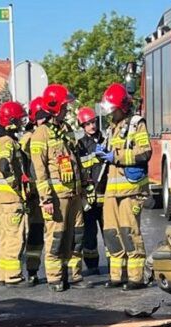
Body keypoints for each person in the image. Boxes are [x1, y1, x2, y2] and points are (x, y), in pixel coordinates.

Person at [96, 83, 152, 289]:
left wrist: (116, 156)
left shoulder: (137, 124)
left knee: (130, 232)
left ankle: (136, 277)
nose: (111, 112)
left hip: (131, 189)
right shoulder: (113, 126)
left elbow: (145, 152)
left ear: (122, 107)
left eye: (113, 109)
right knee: (111, 233)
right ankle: (117, 275)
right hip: (113, 189)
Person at [30, 84, 83, 292]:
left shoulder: (66, 130)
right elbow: (39, 170)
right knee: (56, 238)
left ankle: (70, 275)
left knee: (73, 237)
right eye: (64, 106)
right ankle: (54, 278)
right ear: (55, 107)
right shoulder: (41, 135)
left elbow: (75, 159)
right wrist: (46, 198)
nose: (67, 110)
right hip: (56, 197)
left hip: (73, 194)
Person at [0, 101, 29, 287]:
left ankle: (3, 274)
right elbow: (4, 166)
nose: (22, 123)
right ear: (11, 121)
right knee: (15, 237)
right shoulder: (8, 142)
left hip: (2, 200)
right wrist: (16, 184)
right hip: (12, 199)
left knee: (5, 237)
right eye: (19, 119)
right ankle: (14, 276)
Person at [20, 98, 46, 285]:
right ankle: (32, 270)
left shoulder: (51, 134)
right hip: (35, 194)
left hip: (51, 192)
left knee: (57, 234)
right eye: (40, 117)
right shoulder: (27, 139)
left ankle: (61, 271)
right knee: (36, 233)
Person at [76, 106, 105, 274]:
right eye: (87, 124)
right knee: (89, 234)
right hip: (89, 196)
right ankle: (92, 266)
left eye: (93, 122)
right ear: (82, 126)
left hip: (104, 194)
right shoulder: (80, 145)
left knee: (109, 233)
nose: (91, 126)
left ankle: (114, 266)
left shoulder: (105, 140)